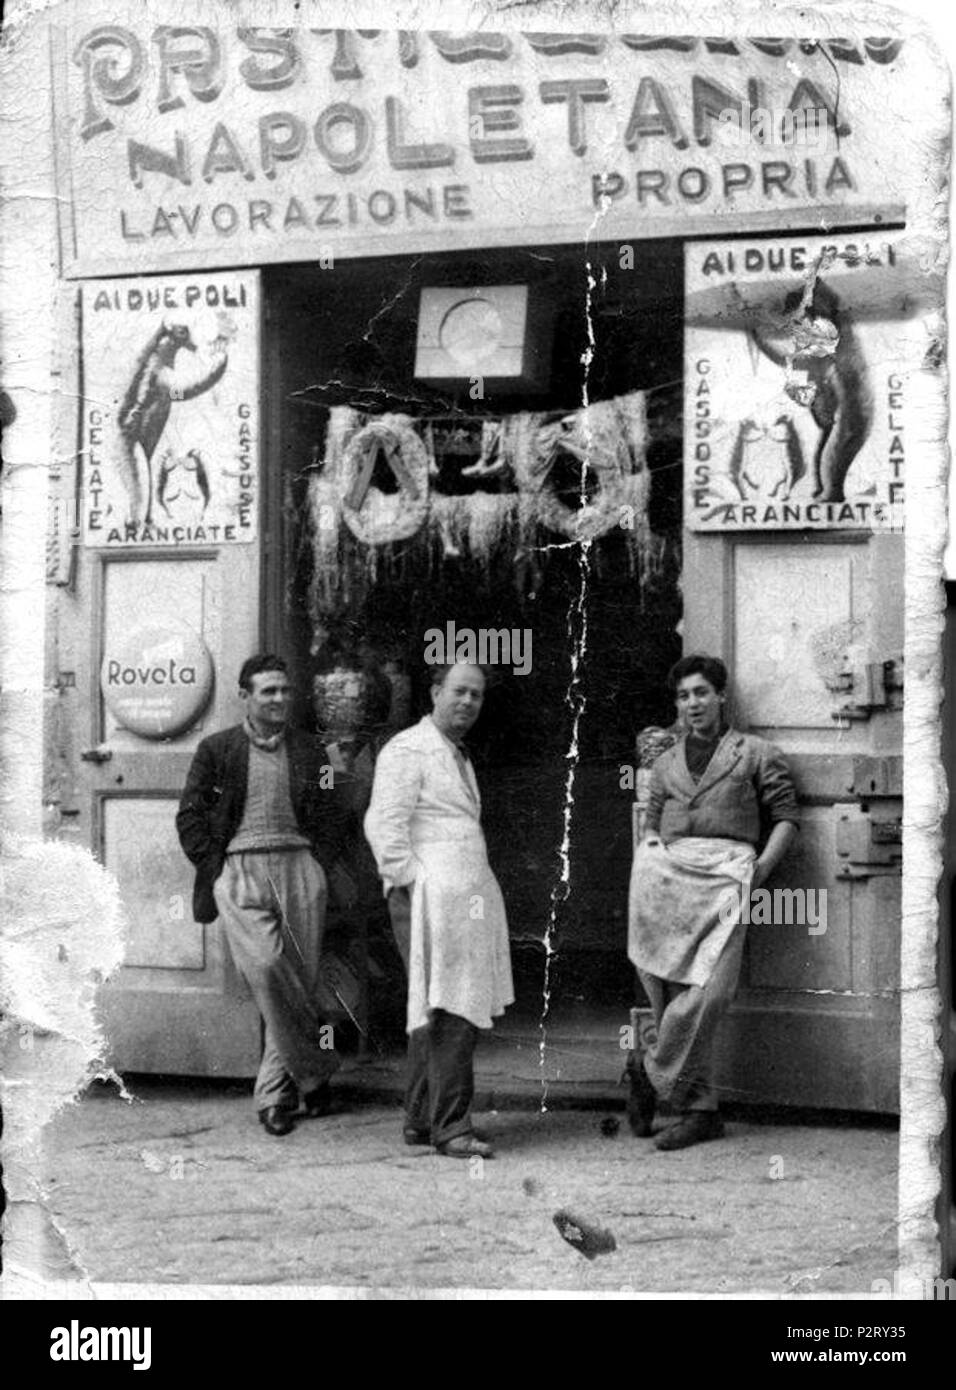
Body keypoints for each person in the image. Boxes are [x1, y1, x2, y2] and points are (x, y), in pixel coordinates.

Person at [626, 654, 799, 1150]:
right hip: (666, 883)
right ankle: (700, 1111)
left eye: (701, 692)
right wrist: (651, 859)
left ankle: (648, 1069)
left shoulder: (756, 752)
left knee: (710, 992)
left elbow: (786, 816)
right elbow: (651, 822)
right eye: (683, 696)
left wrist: (759, 871)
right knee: (664, 992)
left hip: (727, 879)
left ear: (721, 696)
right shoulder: (664, 763)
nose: (692, 704)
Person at [176, 654, 348, 1137]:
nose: (279, 699)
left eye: (284, 690)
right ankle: (314, 1073)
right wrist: (218, 870)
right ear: (244, 697)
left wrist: (319, 862)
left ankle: (277, 1095)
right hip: (241, 871)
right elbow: (189, 815)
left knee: (297, 980)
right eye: (268, 691)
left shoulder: (314, 753)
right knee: (271, 972)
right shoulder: (217, 750)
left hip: (299, 868)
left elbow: (333, 807)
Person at [363, 663, 514, 1159]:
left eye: (477, 695)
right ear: (434, 692)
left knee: (440, 1005)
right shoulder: (408, 749)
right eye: (459, 691)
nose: (469, 702)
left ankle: (422, 1118)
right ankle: (452, 1128)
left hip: (461, 900)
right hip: (430, 898)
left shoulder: (457, 754)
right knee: (451, 1007)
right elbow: (384, 827)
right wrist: (415, 884)